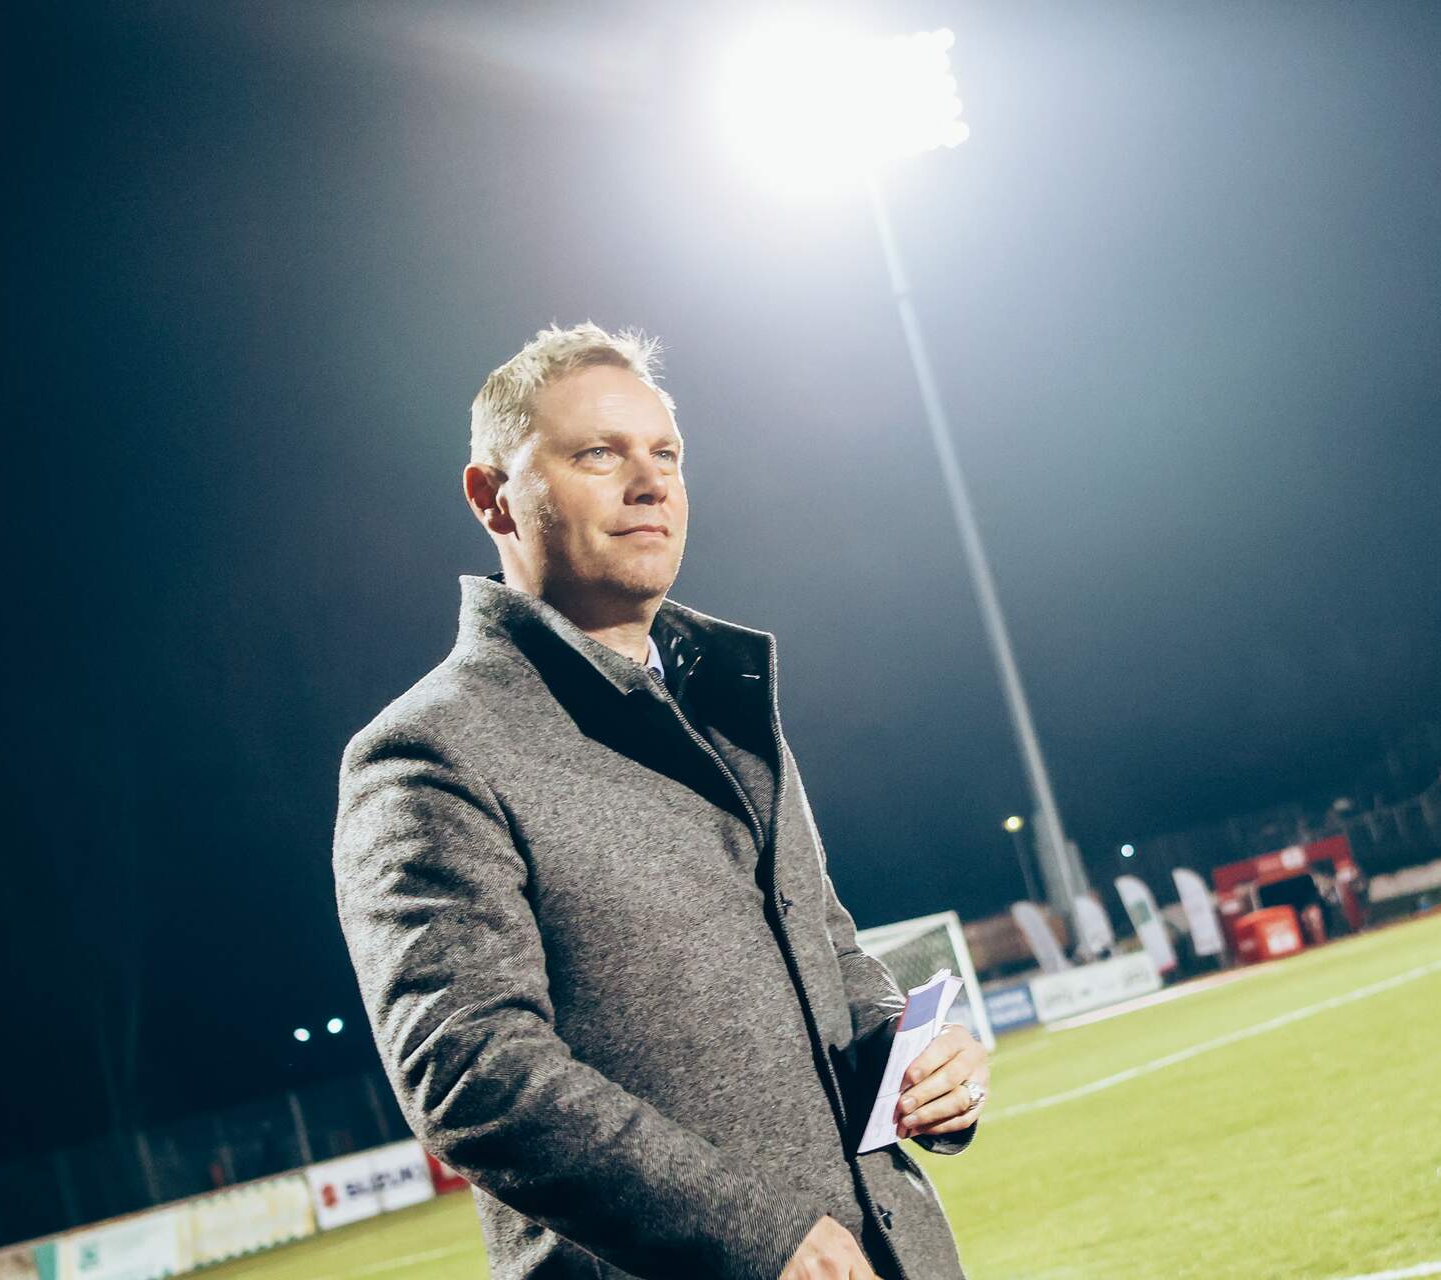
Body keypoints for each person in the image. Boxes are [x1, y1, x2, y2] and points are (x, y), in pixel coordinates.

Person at [332, 324, 987, 1280]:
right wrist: (751, 1234)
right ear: (491, 496)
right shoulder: (429, 750)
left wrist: (915, 1058)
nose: (651, 483)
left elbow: (829, 951)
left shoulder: (726, 707)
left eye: (667, 454)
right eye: (599, 454)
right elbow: (470, 1068)